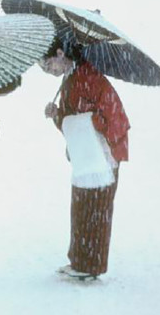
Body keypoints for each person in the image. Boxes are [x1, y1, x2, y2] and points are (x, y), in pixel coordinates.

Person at [40, 38, 130, 281]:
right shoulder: (70, 79)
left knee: (97, 208)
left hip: (104, 151)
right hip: (85, 152)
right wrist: (57, 115)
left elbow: (111, 116)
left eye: (48, 64)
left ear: (60, 53)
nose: (48, 70)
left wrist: (82, 120)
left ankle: (91, 264)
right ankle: (79, 260)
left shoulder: (89, 75)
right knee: (81, 206)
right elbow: (70, 123)